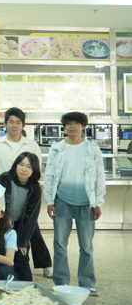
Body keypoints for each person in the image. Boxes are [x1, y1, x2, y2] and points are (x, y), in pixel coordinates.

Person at [44, 111, 105, 295]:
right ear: (64, 127)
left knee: (86, 246)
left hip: (86, 203)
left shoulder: (92, 149)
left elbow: (99, 176)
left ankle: (87, 283)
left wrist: (98, 202)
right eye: (69, 123)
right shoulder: (57, 148)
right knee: (60, 245)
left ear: (83, 126)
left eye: (76, 123)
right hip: (62, 201)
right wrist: (49, 200)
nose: (72, 126)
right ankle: (61, 282)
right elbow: (50, 175)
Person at [0, 153, 44, 281]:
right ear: (16, 165)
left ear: (34, 170)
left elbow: (32, 218)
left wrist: (23, 242)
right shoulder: (4, 179)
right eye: (21, 164)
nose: (24, 169)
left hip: (21, 226)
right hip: (2, 224)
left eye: (29, 166)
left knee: (21, 257)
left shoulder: (35, 188)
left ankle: (27, 287)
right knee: (3, 256)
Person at [0, 108, 42, 180]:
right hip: (0, 185)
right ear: (5, 123)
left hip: (25, 186)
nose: (14, 125)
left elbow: (36, 170)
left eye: (18, 122)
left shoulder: (32, 146)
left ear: (23, 125)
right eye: (11, 122)